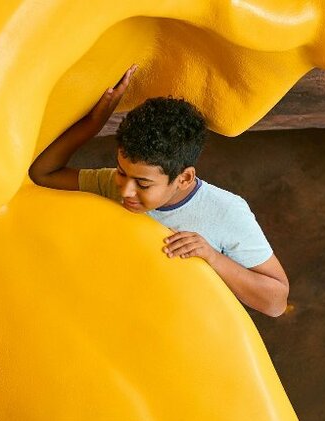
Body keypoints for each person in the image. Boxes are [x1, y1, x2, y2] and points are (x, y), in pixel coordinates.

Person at [28, 65, 289, 317]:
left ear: (184, 178)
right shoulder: (111, 185)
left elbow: (276, 302)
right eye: (121, 171)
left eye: (143, 184)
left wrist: (211, 256)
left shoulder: (226, 211)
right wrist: (94, 122)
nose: (126, 191)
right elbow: (43, 173)